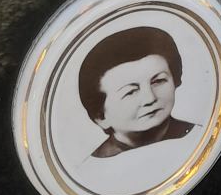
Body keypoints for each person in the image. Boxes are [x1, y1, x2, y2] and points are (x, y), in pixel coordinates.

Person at [77, 25, 194, 157]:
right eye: (130, 92)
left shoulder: (199, 137)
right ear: (101, 117)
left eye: (158, 81)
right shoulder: (95, 166)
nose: (150, 99)